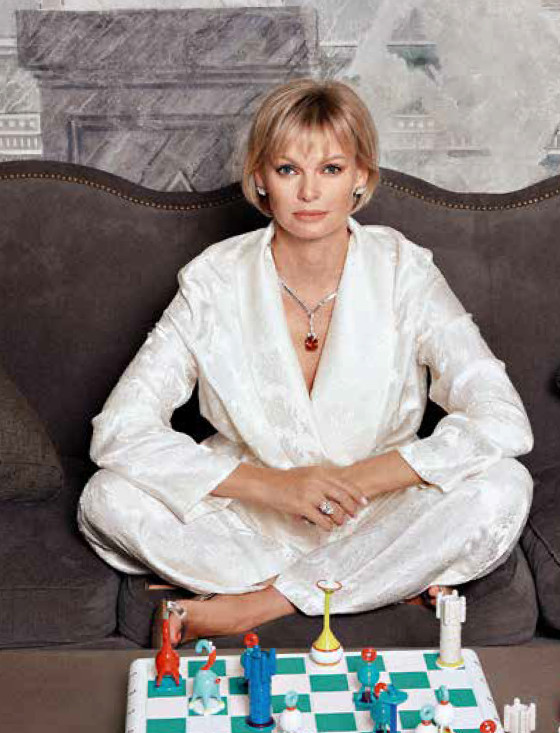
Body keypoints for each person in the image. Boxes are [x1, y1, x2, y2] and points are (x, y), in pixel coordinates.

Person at [77, 78, 534, 648]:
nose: (310, 192)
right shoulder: (213, 279)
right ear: (260, 179)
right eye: (288, 169)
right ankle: (378, 579)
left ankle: (259, 603)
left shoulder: (403, 269)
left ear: (361, 176)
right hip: (252, 517)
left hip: (379, 509)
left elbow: (501, 418)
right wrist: (276, 488)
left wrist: (358, 481)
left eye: (331, 169)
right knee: (107, 498)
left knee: (502, 486)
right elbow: (119, 430)